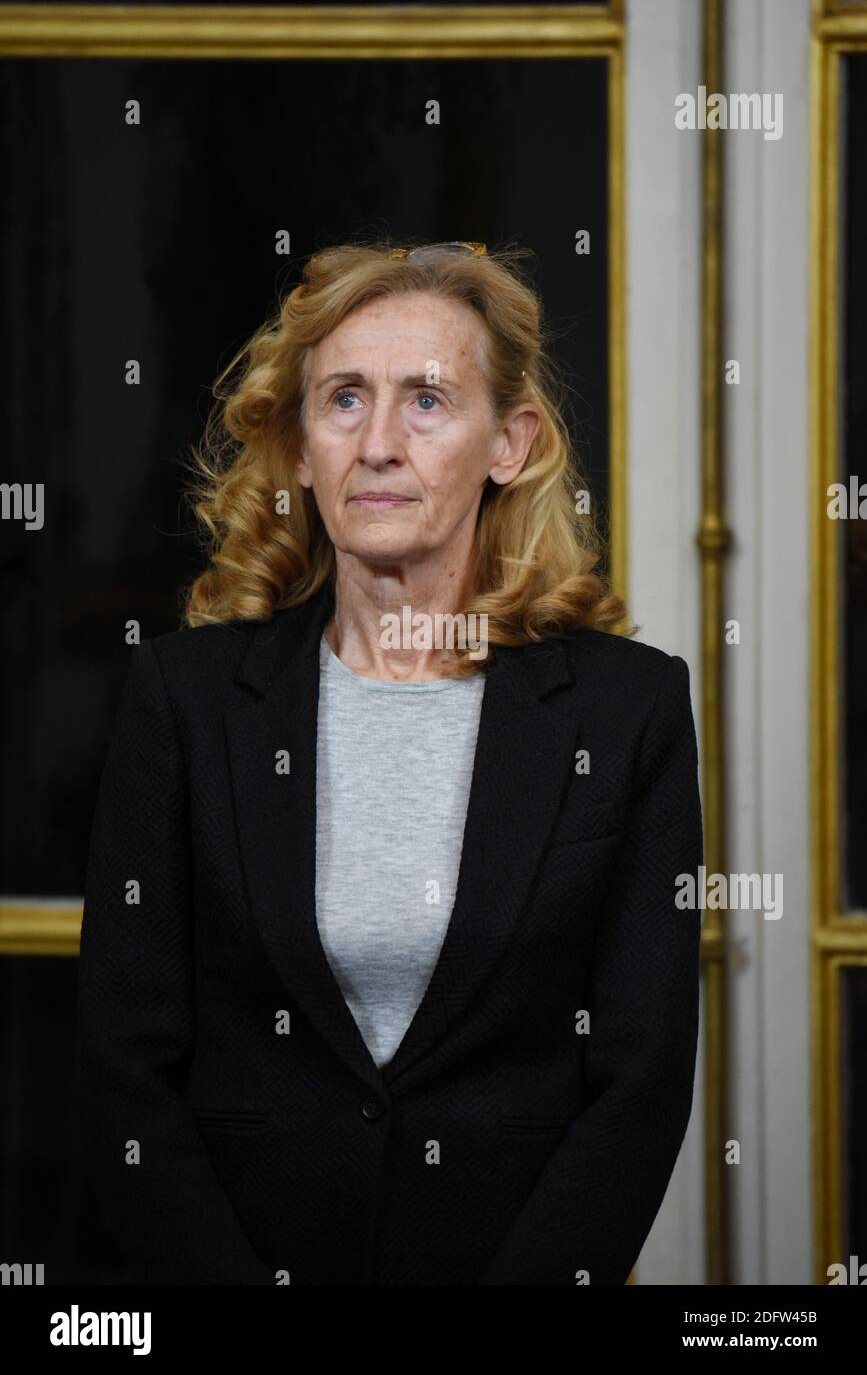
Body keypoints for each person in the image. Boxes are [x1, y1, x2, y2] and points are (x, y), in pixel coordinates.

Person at [75, 239, 703, 1285]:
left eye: (426, 401)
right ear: (303, 443)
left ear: (509, 441)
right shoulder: (184, 701)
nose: (377, 444)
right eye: (344, 400)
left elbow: (637, 1086)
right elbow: (124, 1067)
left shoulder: (625, 707)